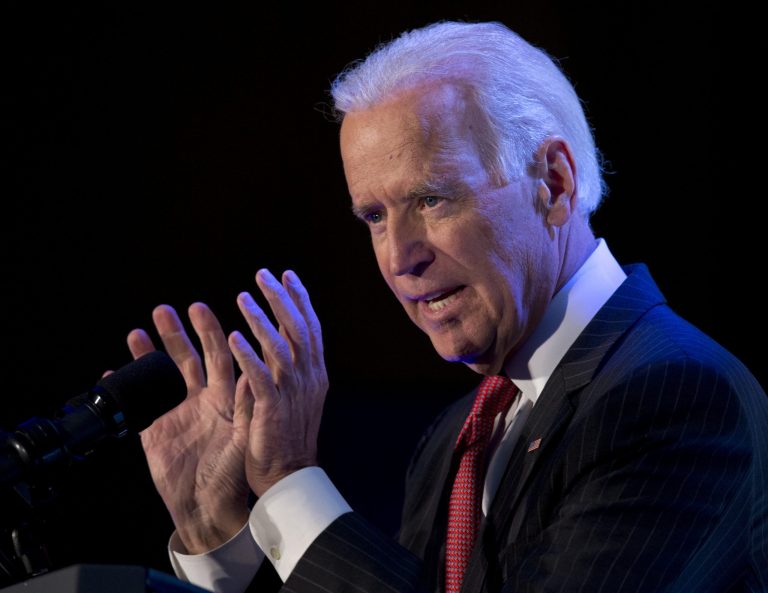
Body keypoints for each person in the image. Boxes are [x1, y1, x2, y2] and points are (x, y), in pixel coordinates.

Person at [128, 21, 768, 593]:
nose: (400, 256)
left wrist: (292, 481)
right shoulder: (454, 441)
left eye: (432, 199)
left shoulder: (675, 395)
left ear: (554, 183)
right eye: (374, 216)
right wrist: (220, 533)